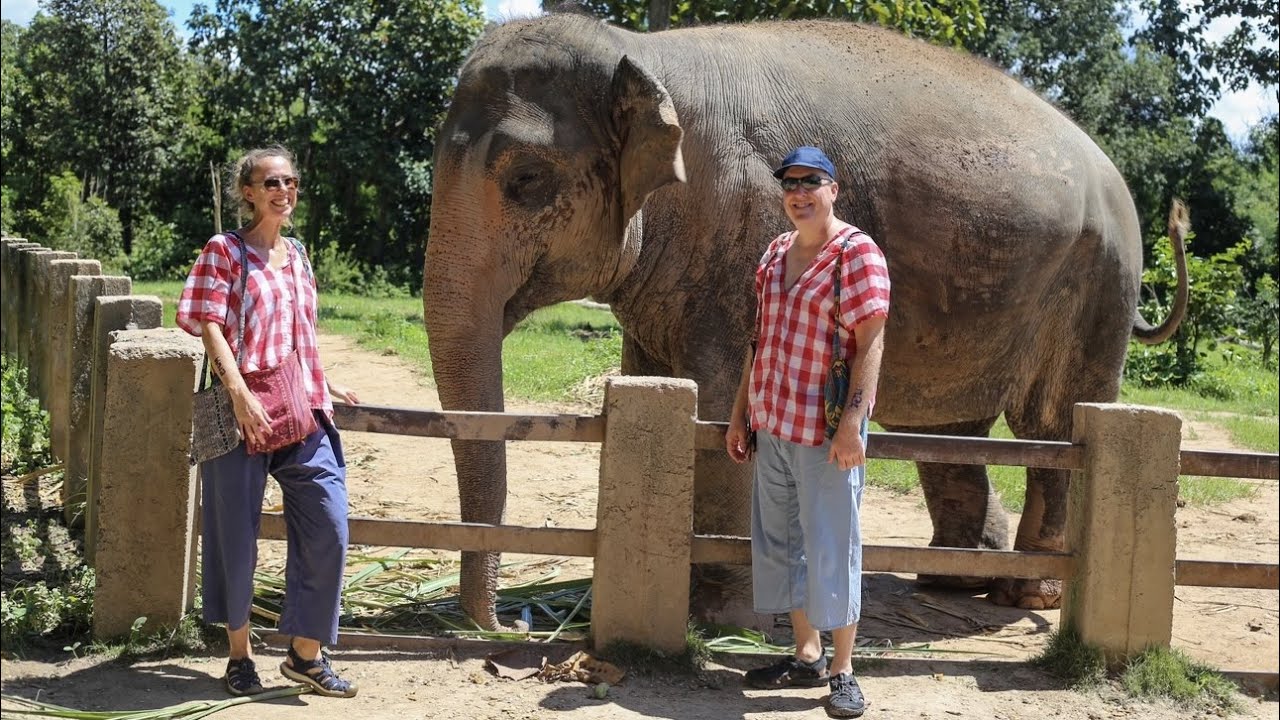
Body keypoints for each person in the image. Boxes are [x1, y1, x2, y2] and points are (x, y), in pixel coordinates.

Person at [177, 146, 360, 699]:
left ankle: (306, 654)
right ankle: (240, 655)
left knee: (330, 523)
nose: (285, 190)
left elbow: (298, 330)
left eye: (291, 182)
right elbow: (208, 323)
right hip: (243, 413)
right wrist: (237, 394)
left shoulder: (300, 254)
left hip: (301, 407)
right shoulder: (224, 251)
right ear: (249, 192)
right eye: (272, 182)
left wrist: (322, 383)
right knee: (236, 536)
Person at [725, 146, 890, 718]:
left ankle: (843, 670)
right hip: (772, 424)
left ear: (833, 190)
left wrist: (853, 424)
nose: (799, 193)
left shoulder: (856, 252)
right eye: (790, 184)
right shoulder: (774, 254)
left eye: (811, 183)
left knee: (831, 546)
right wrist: (740, 411)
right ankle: (806, 653)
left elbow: (870, 342)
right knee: (784, 544)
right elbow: (759, 340)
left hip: (825, 434)